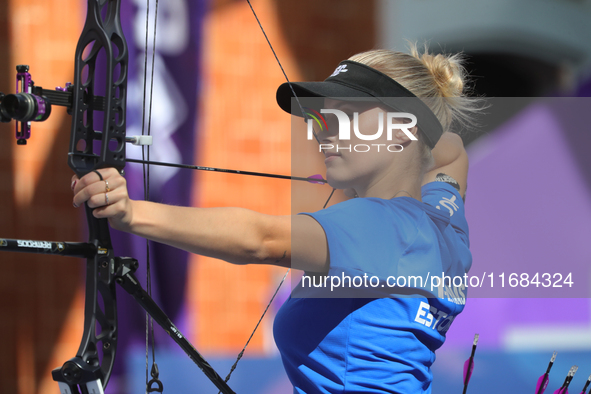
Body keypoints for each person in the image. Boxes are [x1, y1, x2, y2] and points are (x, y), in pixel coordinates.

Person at [72, 44, 479, 393]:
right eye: (321, 116)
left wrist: (131, 212)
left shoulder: (377, 223)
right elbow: (453, 150)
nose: (322, 130)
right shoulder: (445, 221)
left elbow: (261, 239)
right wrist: (416, 135)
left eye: (347, 114)